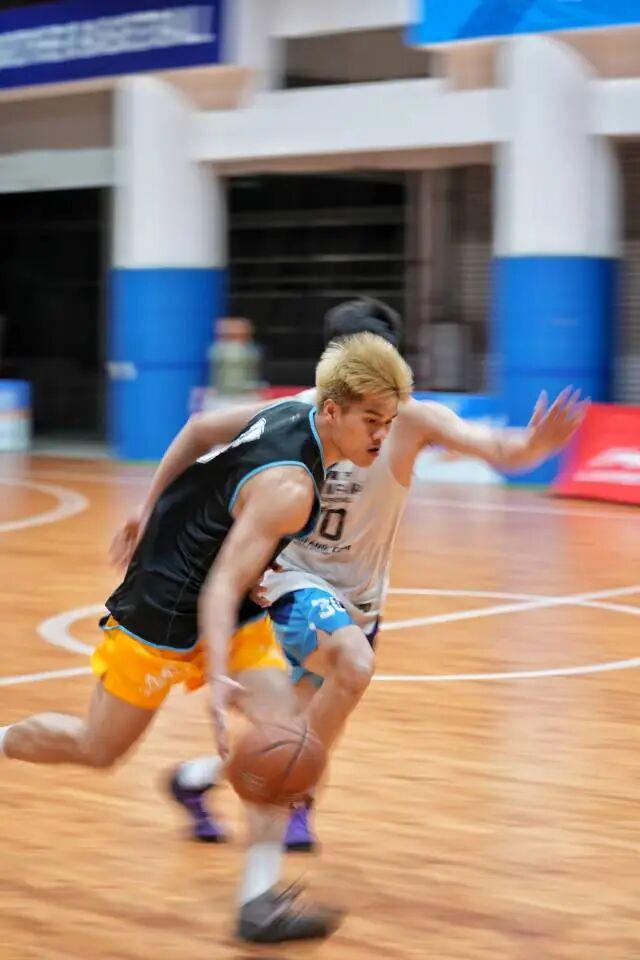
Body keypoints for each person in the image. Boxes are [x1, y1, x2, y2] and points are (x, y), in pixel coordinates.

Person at [0, 331, 414, 943]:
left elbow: (198, 432)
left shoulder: (293, 415)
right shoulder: (292, 488)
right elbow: (221, 585)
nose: (382, 435)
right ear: (332, 411)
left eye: (390, 422)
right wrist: (217, 678)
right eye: (371, 421)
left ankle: (258, 903)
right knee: (97, 748)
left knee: (282, 734)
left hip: (231, 606)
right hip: (162, 611)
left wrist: (149, 507)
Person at [161, 299, 588, 852]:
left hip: (360, 598)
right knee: (352, 666)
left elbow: (496, 448)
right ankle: (297, 800)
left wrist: (533, 446)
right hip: (292, 582)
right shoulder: (295, 413)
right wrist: (153, 512)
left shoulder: (411, 419)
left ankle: (196, 780)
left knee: (294, 727)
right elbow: (201, 430)